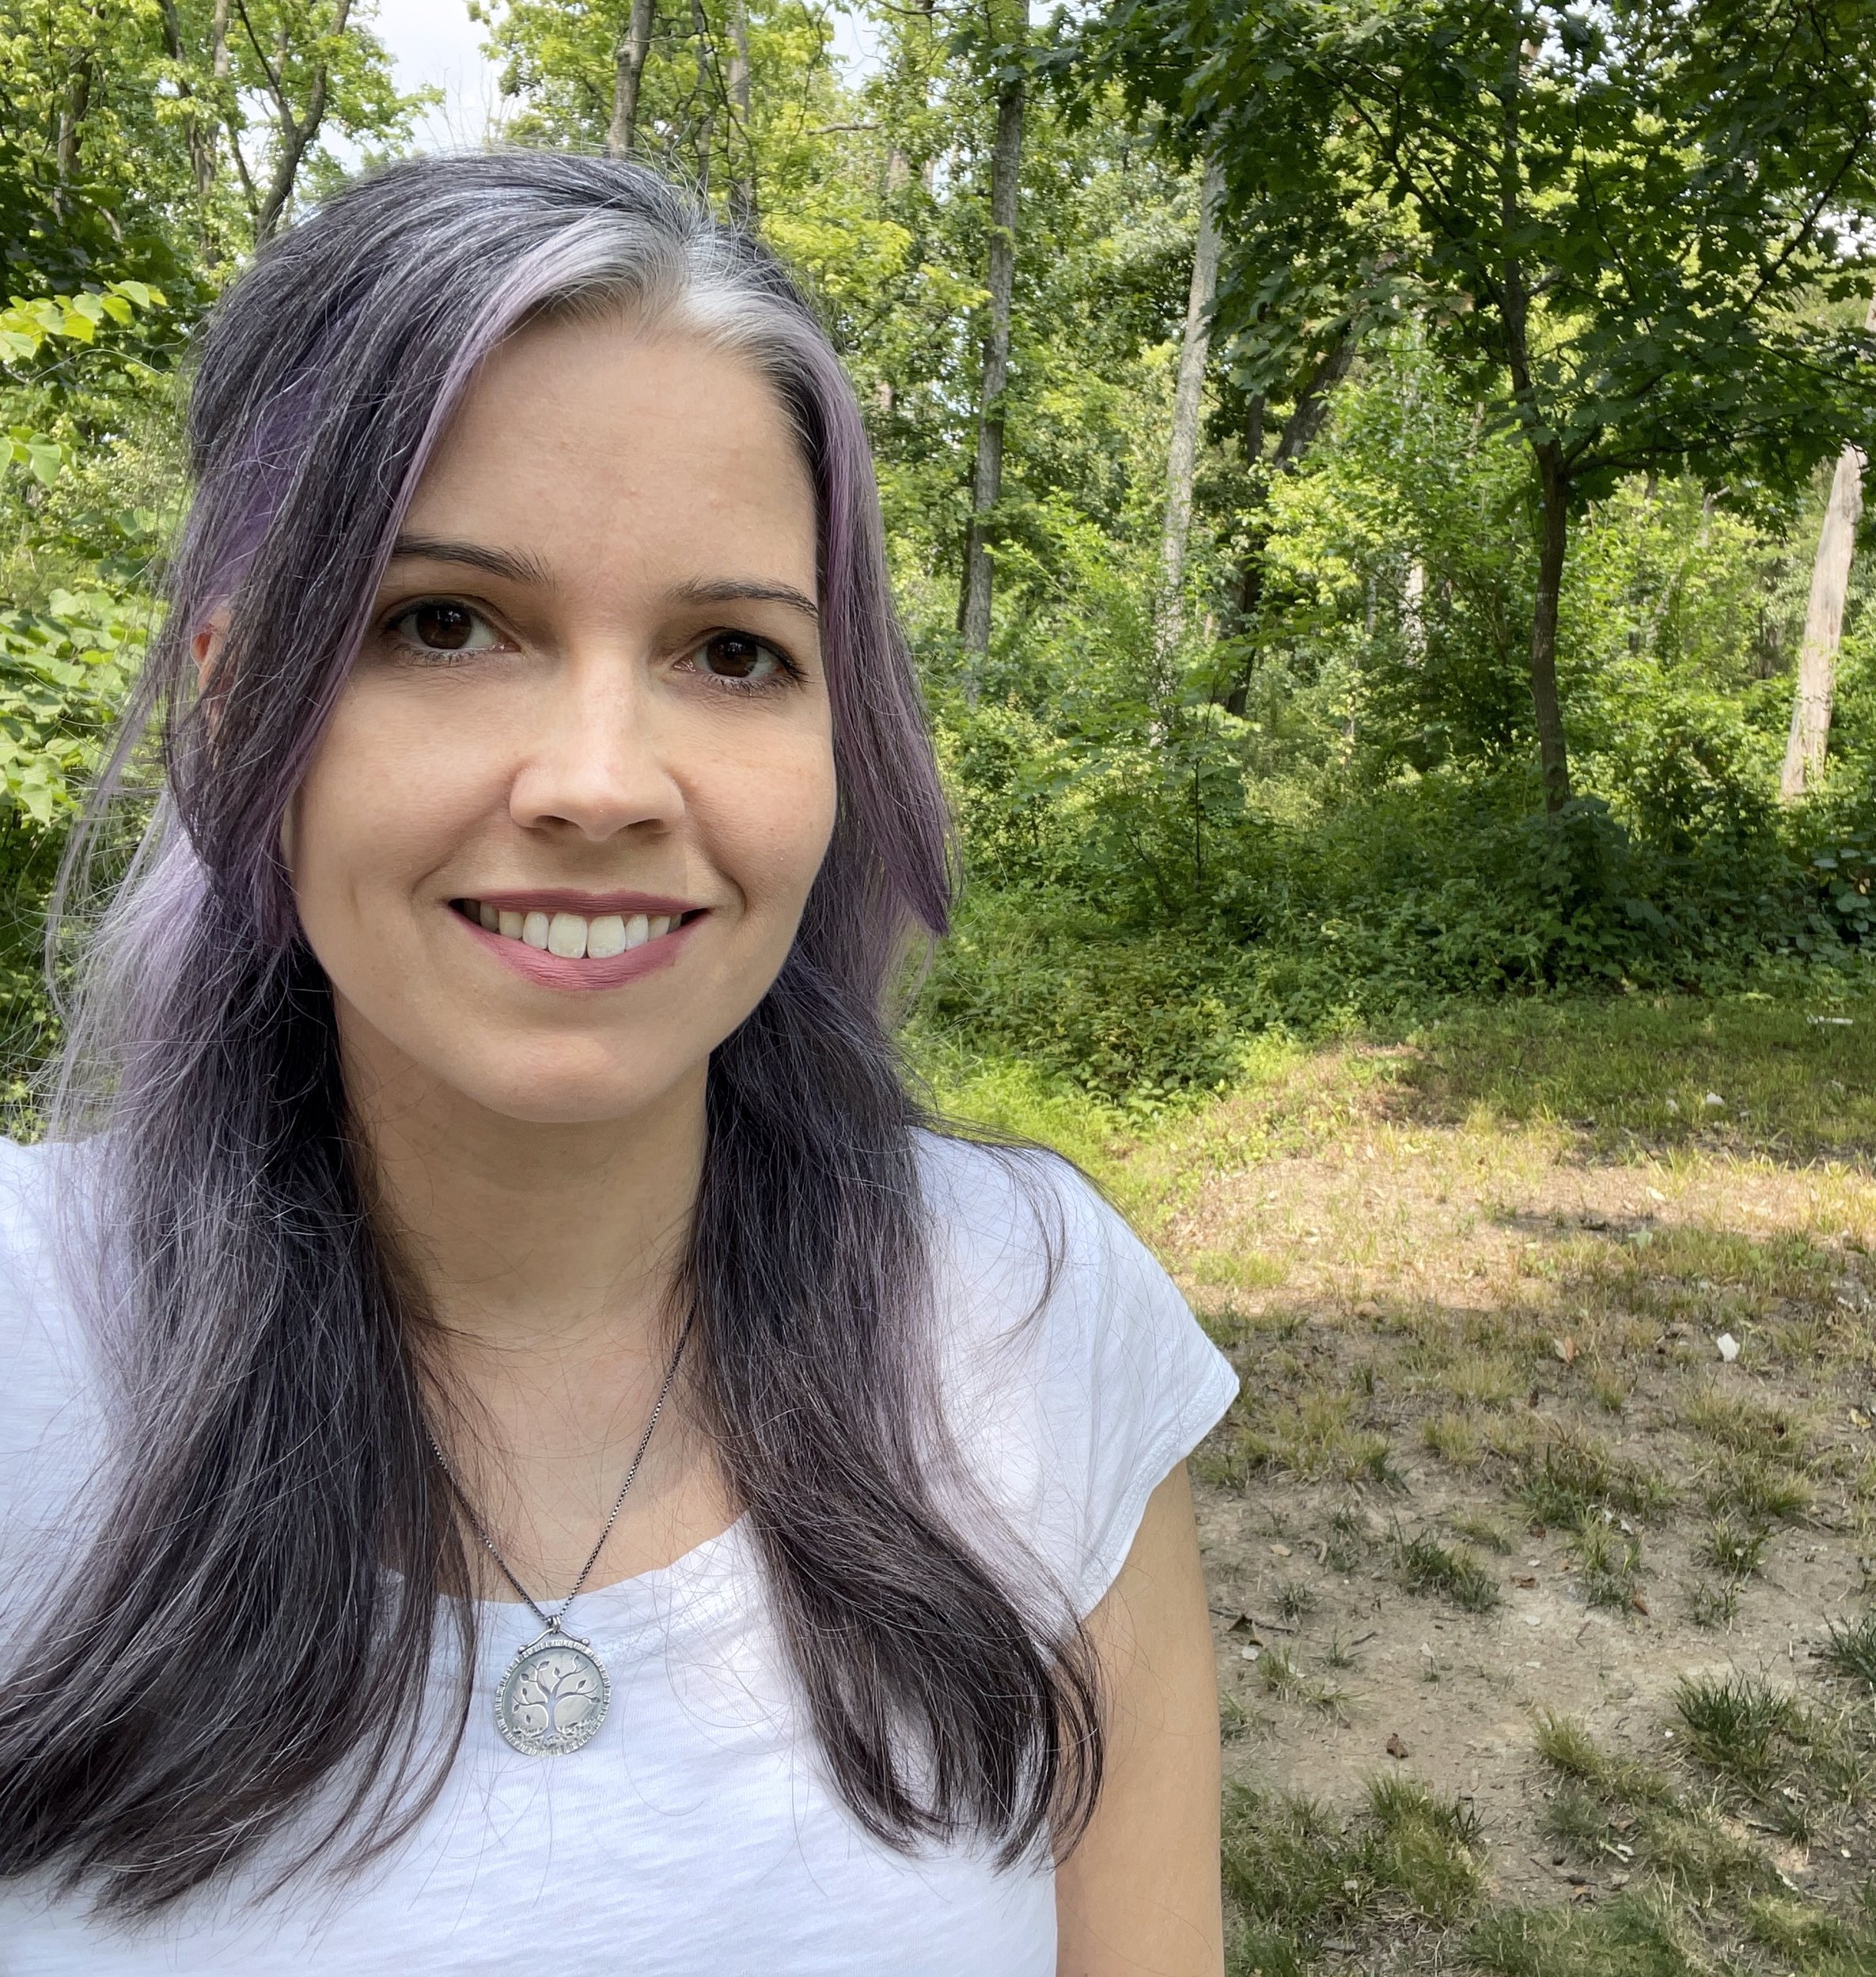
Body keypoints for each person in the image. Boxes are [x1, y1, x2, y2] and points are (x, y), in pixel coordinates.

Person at [0, 153, 1235, 1975]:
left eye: (731, 651)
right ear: (239, 700)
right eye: (444, 622)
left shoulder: (1037, 1331)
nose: (601, 778)